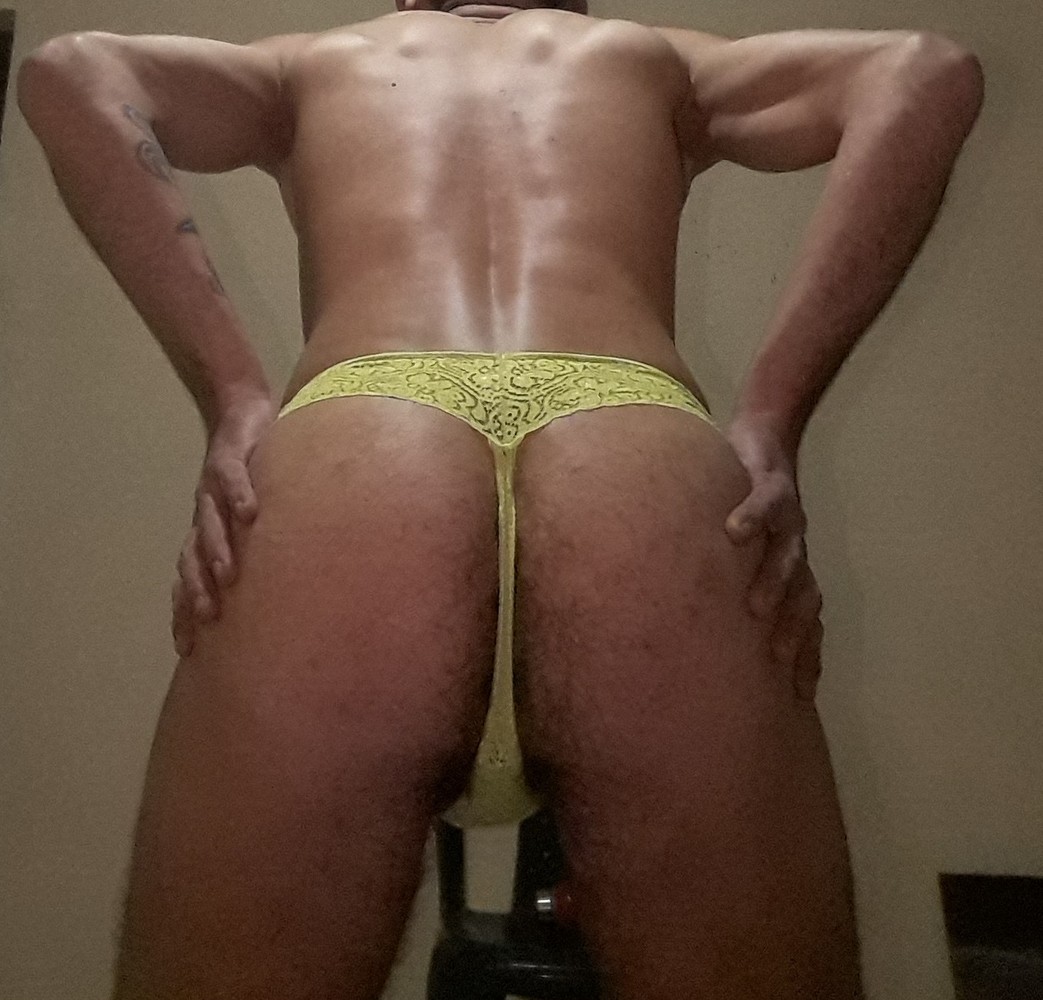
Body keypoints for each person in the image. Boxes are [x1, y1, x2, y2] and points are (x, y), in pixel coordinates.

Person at [17, 1, 983, 996]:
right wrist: (772, 417)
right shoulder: (644, 56)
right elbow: (924, 71)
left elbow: (73, 72)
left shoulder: (319, 61)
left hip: (369, 445)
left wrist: (233, 394)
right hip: (629, 450)